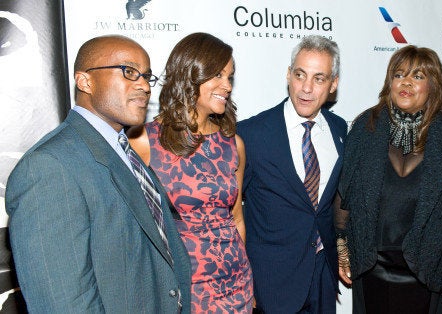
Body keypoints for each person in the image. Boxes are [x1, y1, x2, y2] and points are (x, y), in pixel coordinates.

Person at [5, 35, 191, 313]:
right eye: (129, 72)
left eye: (147, 77)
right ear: (85, 81)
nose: (143, 85)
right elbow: (63, 304)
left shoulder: (124, 151)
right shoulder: (49, 167)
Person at [335, 45, 442, 313]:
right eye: (399, 75)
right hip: (370, 262)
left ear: (433, 85)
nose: (406, 83)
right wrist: (342, 247)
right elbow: (345, 191)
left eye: (418, 76)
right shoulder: (367, 126)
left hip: (426, 264)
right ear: (390, 81)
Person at [128, 32, 253, 313]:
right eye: (218, 75)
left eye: (230, 77)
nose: (227, 85)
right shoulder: (145, 142)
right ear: (190, 75)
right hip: (186, 292)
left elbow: (237, 219)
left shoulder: (234, 144)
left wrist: (248, 278)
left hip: (238, 285)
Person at [237, 35, 347, 313]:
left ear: (333, 85)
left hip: (323, 276)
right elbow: (232, 212)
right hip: (270, 283)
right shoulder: (251, 134)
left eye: (319, 78)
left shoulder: (339, 130)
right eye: (300, 75)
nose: (306, 88)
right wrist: (242, 282)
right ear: (288, 75)